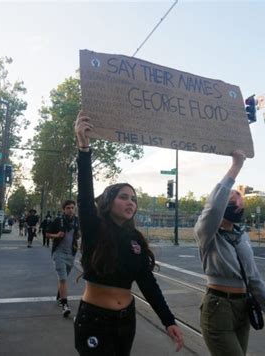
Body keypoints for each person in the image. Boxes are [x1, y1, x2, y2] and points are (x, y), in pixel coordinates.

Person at [74, 111, 184, 355]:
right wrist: (84, 148)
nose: (130, 202)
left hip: (126, 320)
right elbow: (83, 196)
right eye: (123, 197)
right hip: (94, 319)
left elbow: (147, 282)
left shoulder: (135, 240)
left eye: (133, 199)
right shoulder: (94, 228)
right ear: (109, 201)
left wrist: (169, 321)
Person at [194, 150, 265, 356]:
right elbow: (213, 207)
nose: (239, 204)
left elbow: (253, 278)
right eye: (233, 199)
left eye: (241, 201)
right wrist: (236, 166)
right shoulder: (207, 232)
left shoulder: (242, 236)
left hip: (243, 308)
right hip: (218, 307)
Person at [46, 201, 80, 317]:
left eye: (72, 208)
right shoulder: (58, 220)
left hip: (71, 254)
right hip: (58, 253)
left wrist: (78, 236)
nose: (71, 210)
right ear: (63, 209)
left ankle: (60, 294)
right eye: (68, 208)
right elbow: (47, 234)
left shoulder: (76, 221)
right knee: (63, 279)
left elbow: (78, 234)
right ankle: (65, 305)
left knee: (63, 279)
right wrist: (57, 235)